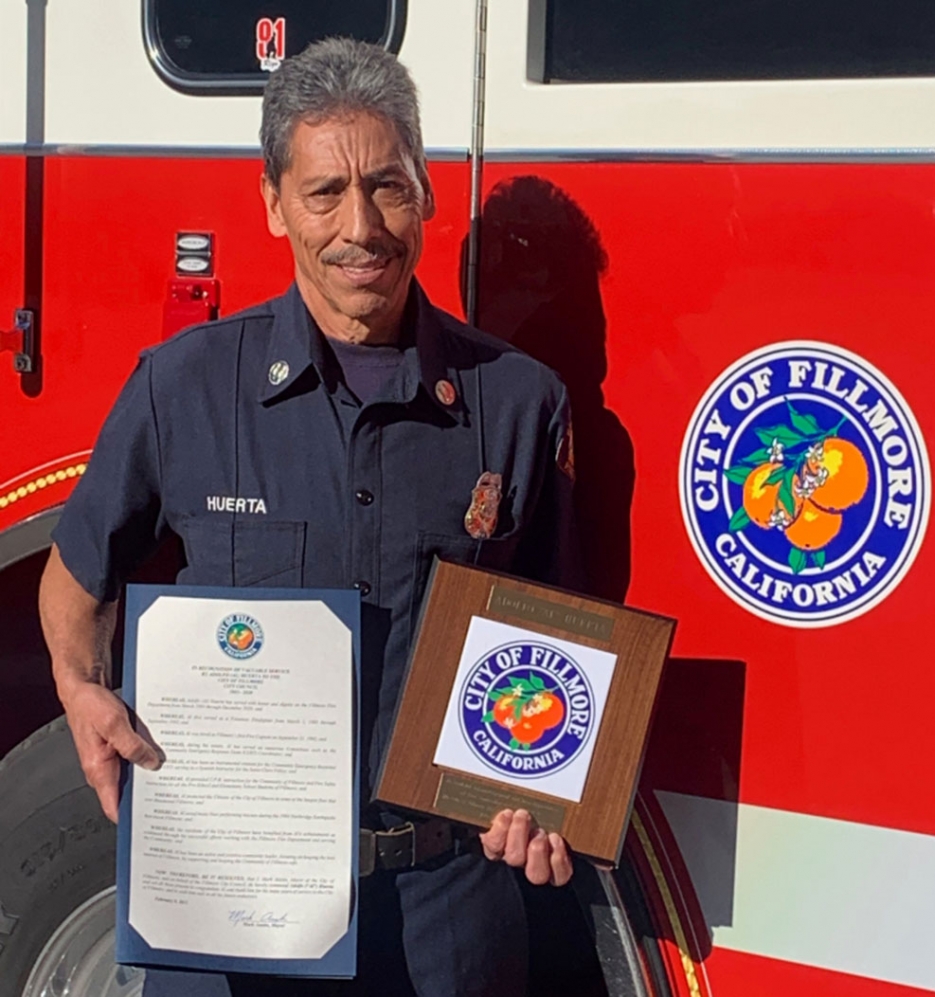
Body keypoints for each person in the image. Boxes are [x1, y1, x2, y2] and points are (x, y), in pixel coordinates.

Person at [39, 37, 582, 997]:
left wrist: (539, 795)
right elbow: (76, 580)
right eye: (325, 191)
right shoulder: (185, 386)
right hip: (233, 914)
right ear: (273, 204)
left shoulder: (522, 403)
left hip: (447, 916)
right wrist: (82, 694)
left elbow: (558, 650)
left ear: (427, 193)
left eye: (388, 185)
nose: (361, 226)